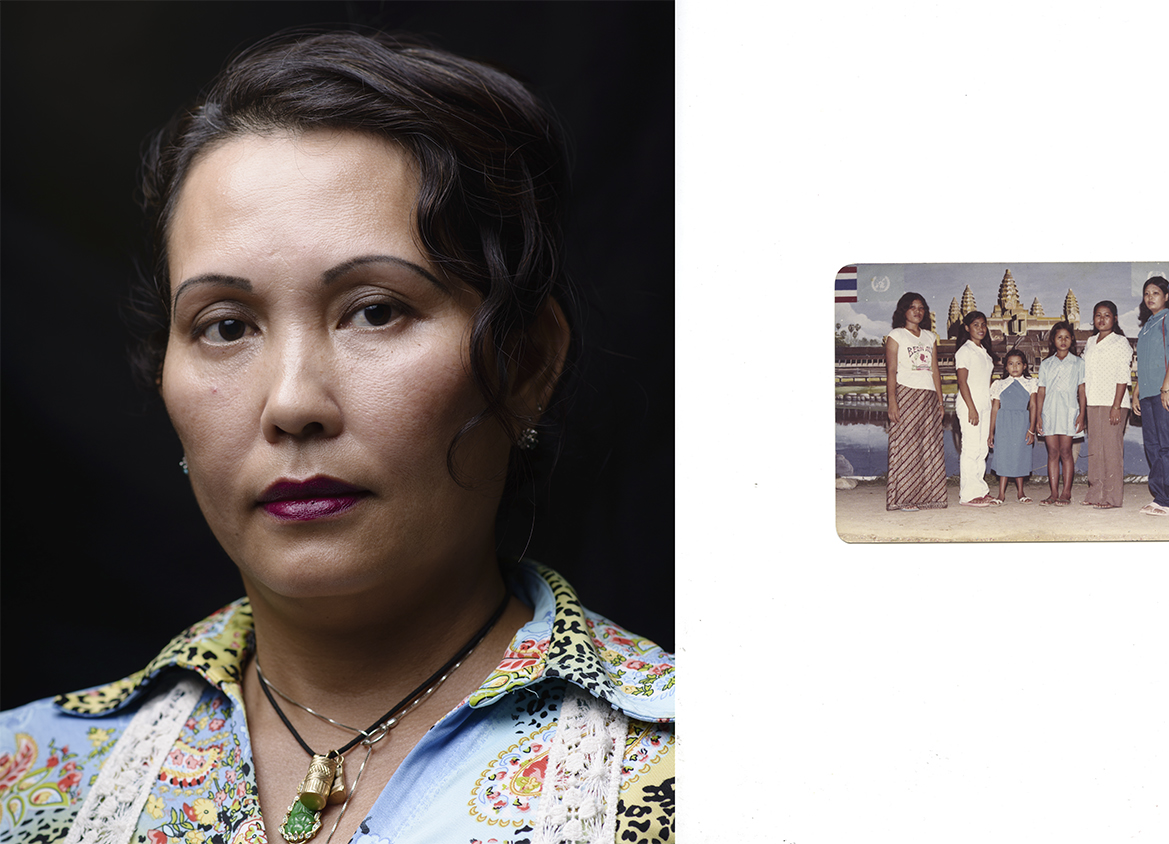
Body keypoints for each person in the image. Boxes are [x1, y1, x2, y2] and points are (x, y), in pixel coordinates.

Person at [0, 30, 673, 844]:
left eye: (376, 310)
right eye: (224, 325)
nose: (291, 403)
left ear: (526, 363)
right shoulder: (30, 780)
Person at [884, 292, 948, 511]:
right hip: (906, 393)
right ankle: (903, 498)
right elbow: (891, 370)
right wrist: (892, 401)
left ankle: (929, 497)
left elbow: (935, 370)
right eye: (913, 307)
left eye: (921, 308)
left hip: (928, 396)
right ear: (904, 310)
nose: (918, 311)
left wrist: (940, 402)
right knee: (907, 446)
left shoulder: (930, 337)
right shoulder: (896, 335)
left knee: (928, 446)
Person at [1130, 275, 1169, 515]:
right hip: (1148, 394)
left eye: (1155, 293)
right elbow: (1144, 363)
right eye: (1146, 294)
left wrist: (1166, 387)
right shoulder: (1146, 327)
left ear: (1165, 296)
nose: (1150, 297)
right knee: (1153, 447)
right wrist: (1136, 392)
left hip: (1166, 391)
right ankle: (1160, 497)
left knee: (1168, 446)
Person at [1081, 301, 1133, 509]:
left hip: (1113, 402)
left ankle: (1111, 498)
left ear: (1115, 318)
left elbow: (1123, 376)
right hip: (1093, 401)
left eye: (1107, 315)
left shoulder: (1120, 342)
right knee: (1095, 450)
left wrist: (1116, 406)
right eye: (1098, 315)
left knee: (1111, 451)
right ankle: (1095, 493)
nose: (1102, 319)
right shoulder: (1091, 341)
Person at [1035, 321, 1087, 506]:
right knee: (1053, 453)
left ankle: (1066, 492)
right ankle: (1053, 492)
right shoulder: (1046, 364)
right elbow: (1041, 391)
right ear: (1053, 340)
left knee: (1066, 452)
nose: (1063, 341)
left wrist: (1081, 414)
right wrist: (1038, 416)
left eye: (1066, 337)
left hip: (1069, 411)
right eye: (1059, 337)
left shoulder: (1079, 363)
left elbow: (1082, 391)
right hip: (1049, 411)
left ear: (1071, 339)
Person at [952, 311, 997, 507]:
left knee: (982, 449)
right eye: (976, 325)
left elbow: (987, 383)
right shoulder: (964, 351)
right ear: (967, 328)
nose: (980, 328)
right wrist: (971, 408)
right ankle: (968, 495)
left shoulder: (985, 353)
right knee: (970, 449)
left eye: (983, 325)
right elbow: (962, 382)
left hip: (984, 405)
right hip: (969, 405)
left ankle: (979, 490)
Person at [987, 349, 1038, 504]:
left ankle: (1020, 492)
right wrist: (991, 432)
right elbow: (995, 408)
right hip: (1003, 424)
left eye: (1018, 363)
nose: (1014, 367)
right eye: (1011, 363)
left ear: (1024, 366)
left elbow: (1034, 406)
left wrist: (1032, 429)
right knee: (1003, 456)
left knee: (1019, 455)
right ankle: (1001, 494)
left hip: (1022, 423)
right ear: (1006, 367)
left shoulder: (1031, 383)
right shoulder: (999, 384)